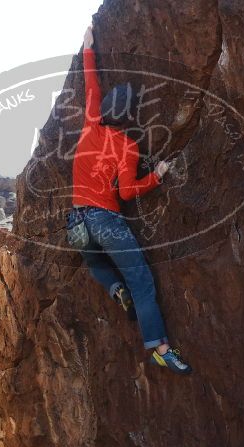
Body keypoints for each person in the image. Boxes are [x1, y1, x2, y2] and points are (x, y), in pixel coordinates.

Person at [71, 25, 192, 375]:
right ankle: (160, 348)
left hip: (75, 222)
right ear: (130, 116)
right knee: (141, 283)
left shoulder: (91, 123)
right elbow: (126, 192)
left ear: (108, 109)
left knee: (95, 264)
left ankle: (112, 288)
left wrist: (88, 48)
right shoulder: (129, 147)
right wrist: (156, 176)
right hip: (106, 220)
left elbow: (90, 83)